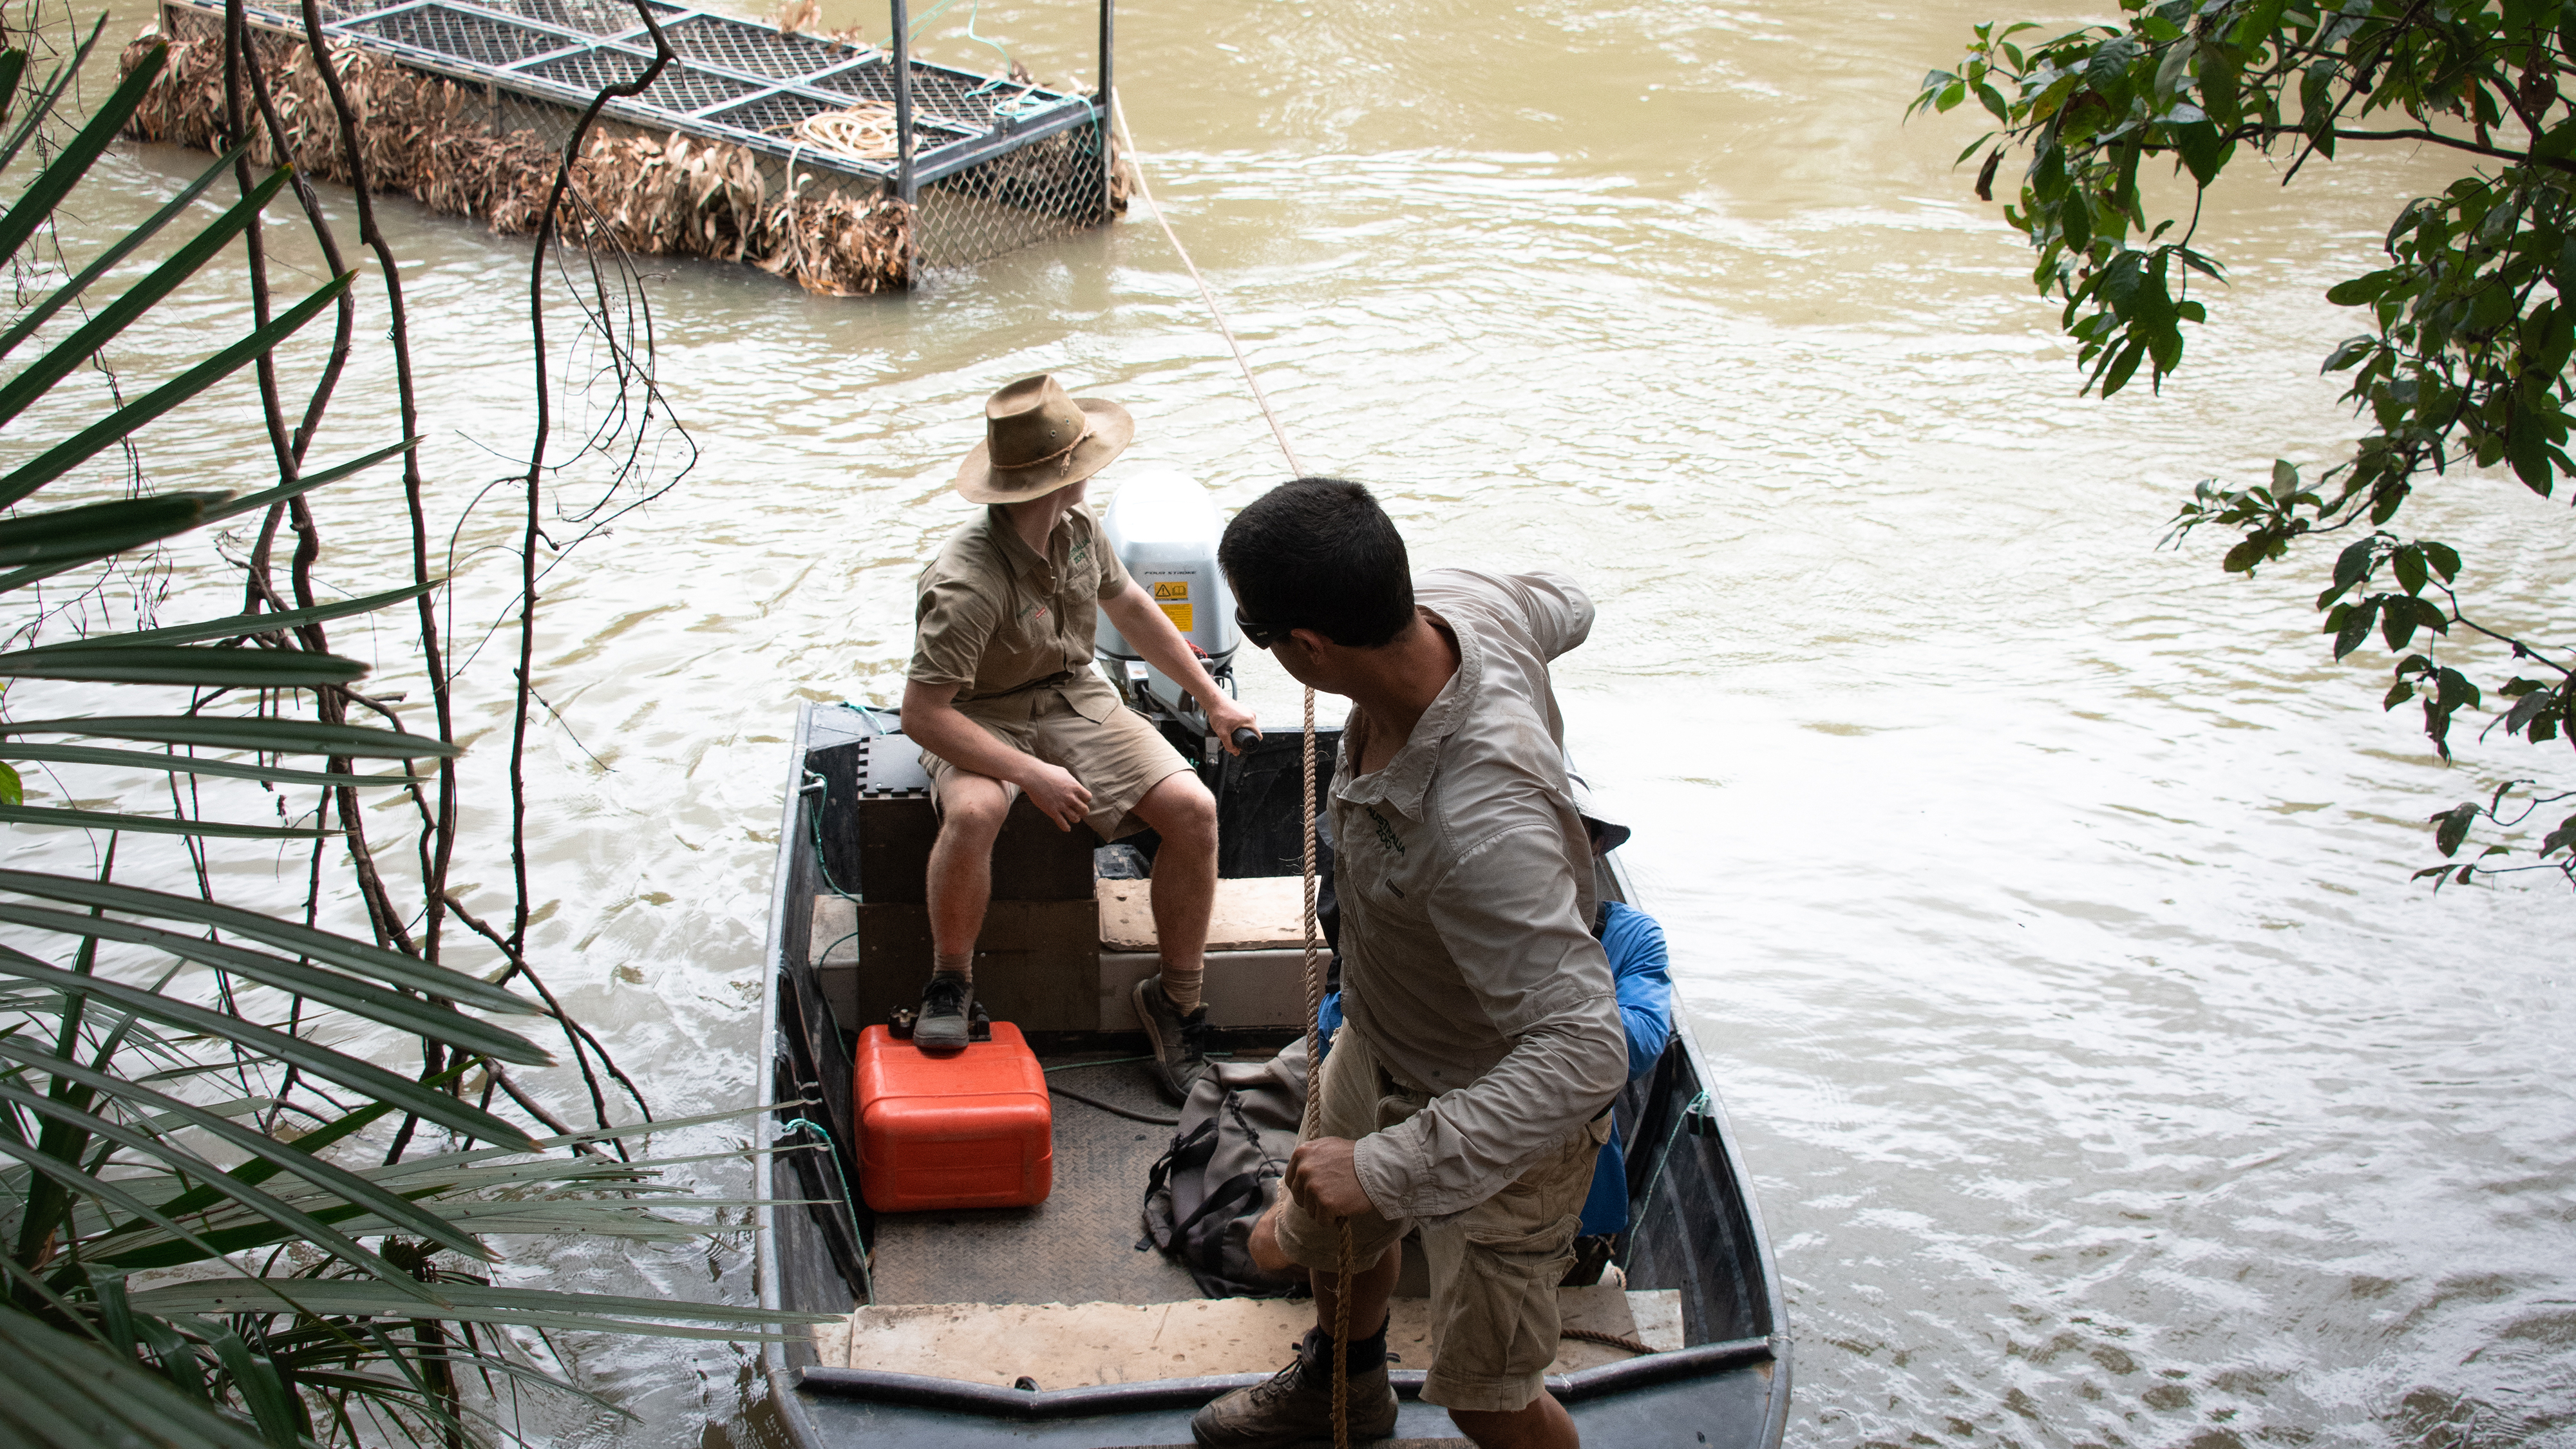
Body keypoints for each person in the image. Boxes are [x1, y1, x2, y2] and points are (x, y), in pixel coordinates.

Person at [1193, 478, 1625, 1449]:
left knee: (1486, 1394)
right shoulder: (1470, 600)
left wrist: (1388, 1164)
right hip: (1384, 1038)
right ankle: (1341, 1386)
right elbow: (1569, 599)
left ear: (1306, 650)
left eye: (1258, 632)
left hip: (1505, 1111)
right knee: (1329, 1243)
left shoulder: (1480, 831)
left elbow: (1587, 1050)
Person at [900, 375, 1257, 1098]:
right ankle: (950, 981)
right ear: (1063, 476)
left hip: (1074, 696)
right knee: (977, 811)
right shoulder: (967, 583)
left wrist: (1210, 697)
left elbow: (1129, 606)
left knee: (1194, 812)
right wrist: (1027, 774)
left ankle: (1176, 1000)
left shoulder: (1080, 531)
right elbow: (923, 714)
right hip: (979, 713)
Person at [1310, 800, 1674, 1258]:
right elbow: (1341, 1022)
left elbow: (1637, 1045)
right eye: (1534, 831)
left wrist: (1539, 1005)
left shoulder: (1631, 937)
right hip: (1415, 1160)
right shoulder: (1457, 912)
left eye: (1571, 835)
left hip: (1550, 1197)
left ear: (1596, 847)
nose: (1548, 850)